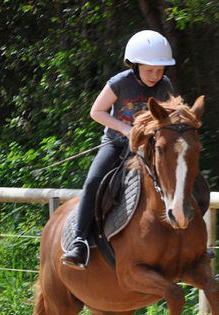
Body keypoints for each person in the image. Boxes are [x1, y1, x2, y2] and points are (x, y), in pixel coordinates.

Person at [61, 30, 176, 269]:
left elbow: (170, 116)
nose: (155, 76)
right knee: (93, 181)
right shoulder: (119, 82)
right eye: (149, 70)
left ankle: (190, 236)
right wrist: (125, 129)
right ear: (135, 65)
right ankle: (80, 241)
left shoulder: (165, 85)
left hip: (150, 147)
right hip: (116, 144)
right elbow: (96, 112)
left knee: (178, 175)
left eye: (160, 70)